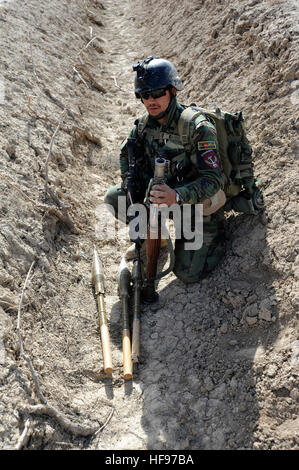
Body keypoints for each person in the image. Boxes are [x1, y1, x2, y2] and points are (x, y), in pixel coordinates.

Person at [104, 56, 227, 284]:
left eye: (158, 93)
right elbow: (127, 157)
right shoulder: (143, 126)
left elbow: (214, 180)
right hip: (160, 199)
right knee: (115, 198)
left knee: (187, 273)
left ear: (173, 91)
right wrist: (134, 196)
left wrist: (177, 195)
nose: (151, 100)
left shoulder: (197, 127)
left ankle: (216, 236)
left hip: (194, 204)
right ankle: (156, 239)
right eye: (145, 95)